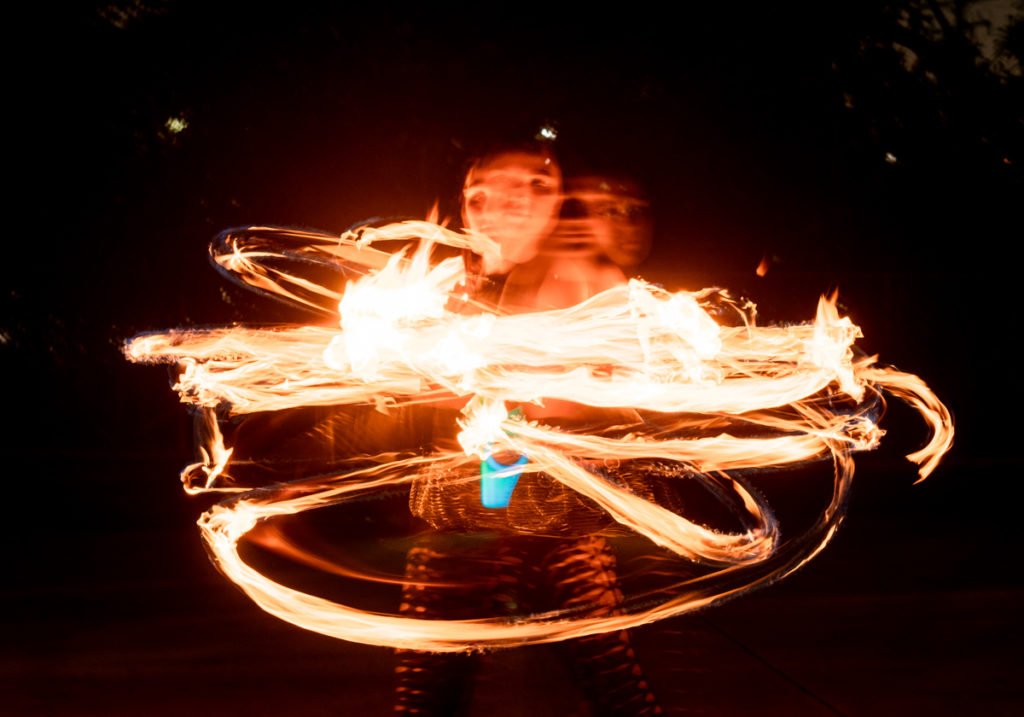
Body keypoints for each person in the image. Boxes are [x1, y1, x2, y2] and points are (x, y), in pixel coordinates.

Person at [396, 150, 662, 715]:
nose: (506, 204)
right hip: (497, 505)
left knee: (609, 678)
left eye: (532, 189)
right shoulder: (467, 282)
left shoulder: (576, 274)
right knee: (434, 685)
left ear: (553, 205)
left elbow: (561, 394)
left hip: (540, 501)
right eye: (483, 193)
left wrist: (496, 469)